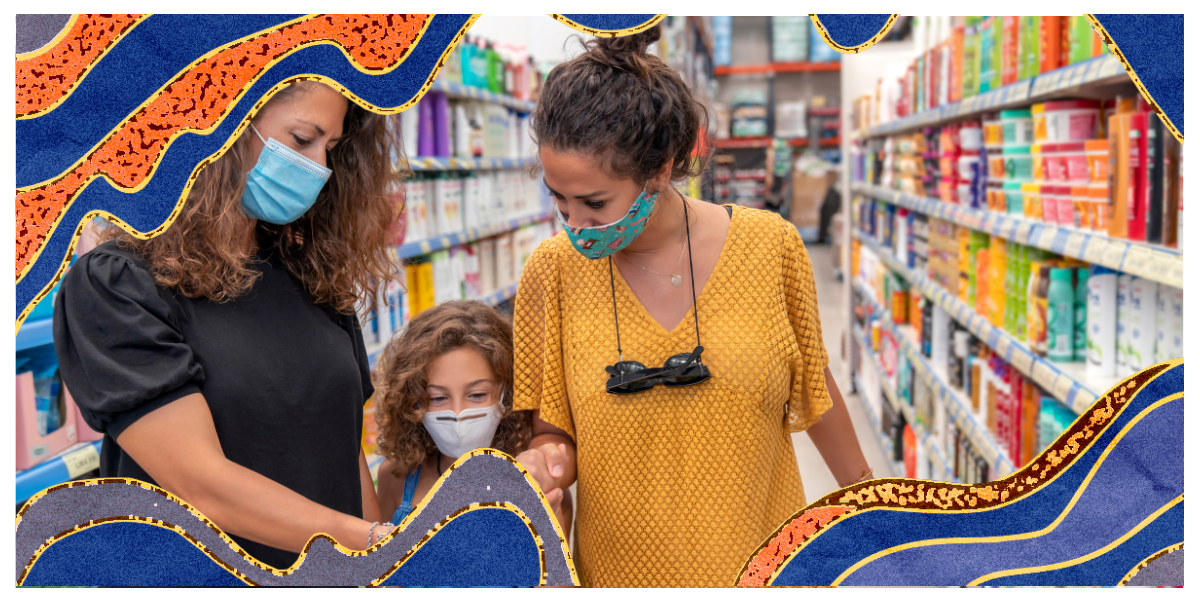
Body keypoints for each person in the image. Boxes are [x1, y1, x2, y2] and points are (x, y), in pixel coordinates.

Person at [511, 26, 873, 587]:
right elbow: (553, 432)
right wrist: (547, 461)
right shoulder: (551, 273)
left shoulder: (771, 246)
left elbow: (815, 389)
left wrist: (879, 512)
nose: (575, 226)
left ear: (659, 170)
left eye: (595, 202)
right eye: (558, 199)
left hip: (768, 573)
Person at [54, 81, 404, 569]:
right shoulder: (118, 285)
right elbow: (201, 485)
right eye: (303, 139)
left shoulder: (310, 273)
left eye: (331, 148)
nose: (320, 168)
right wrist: (368, 538)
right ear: (223, 126)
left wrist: (378, 570)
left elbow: (342, 451)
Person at [372, 300, 572, 541]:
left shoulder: (538, 484)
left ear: (507, 395)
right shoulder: (395, 478)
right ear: (411, 402)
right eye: (438, 397)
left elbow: (557, 578)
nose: (458, 412)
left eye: (477, 395)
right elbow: (385, 576)